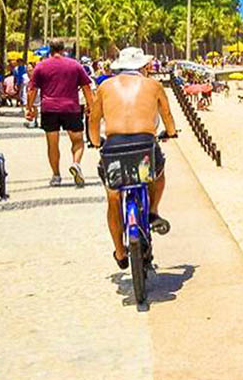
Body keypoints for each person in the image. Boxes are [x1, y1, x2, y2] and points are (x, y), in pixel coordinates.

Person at [87, 47, 178, 270]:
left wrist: (96, 141)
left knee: (113, 196)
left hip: (114, 146)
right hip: (144, 144)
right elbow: (166, 115)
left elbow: (94, 119)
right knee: (158, 174)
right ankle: (153, 211)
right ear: (143, 66)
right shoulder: (153, 85)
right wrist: (171, 132)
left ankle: (119, 251)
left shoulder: (105, 86)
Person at [26, 40, 93, 187]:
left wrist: (29, 108)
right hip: (71, 108)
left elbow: (32, 90)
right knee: (78, 141)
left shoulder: (41, 66)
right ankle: (76, 163)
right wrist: (90, 106)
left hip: (49, 109)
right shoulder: (75, 65)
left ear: (50, 50)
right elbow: (86, 87)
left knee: (52, 144)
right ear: (64, 49)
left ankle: (56, 176)